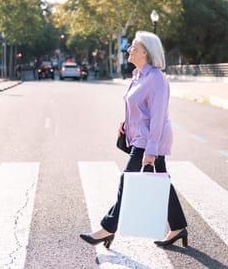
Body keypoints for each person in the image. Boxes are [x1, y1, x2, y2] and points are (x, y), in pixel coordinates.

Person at [80, 31, 188, 249]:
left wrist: (152, 149)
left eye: (134, 46)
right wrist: (126, 123)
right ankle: (178, 227)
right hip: (141, 137)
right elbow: (141, 109)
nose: (129, 49)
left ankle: (108, 228)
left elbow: (158, 116)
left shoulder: (156, 78)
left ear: (146, 51)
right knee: (161, 182)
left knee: (126, 181)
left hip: (149, 140)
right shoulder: (138, 75)